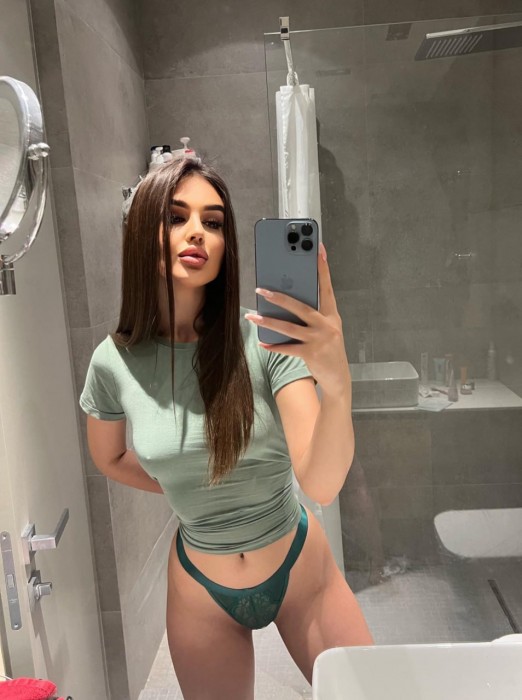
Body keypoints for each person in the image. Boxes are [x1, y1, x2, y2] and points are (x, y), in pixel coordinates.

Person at [79, 155, 373, 700]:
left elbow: (321, 482)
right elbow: (109, 457)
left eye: (212, 222)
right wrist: (188, 485)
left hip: (299, 570)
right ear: (142, 232)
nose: (197, 232)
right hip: (200, 591)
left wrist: (337, 384)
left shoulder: (265, 340)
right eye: (176, 217)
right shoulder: (112, 363)